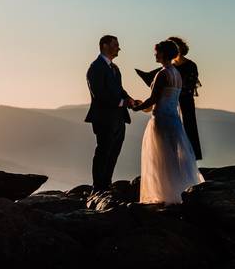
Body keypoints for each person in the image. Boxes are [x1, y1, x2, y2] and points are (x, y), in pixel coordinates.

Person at [132, 40, 203, 204]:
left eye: (156, 51)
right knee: (172, 157)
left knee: (161, 157)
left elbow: (153, 99)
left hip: (161, 120)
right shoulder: (176, 74)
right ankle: (177, 191)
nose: (154, 54)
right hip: (174, 120)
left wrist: (136, 107)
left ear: (162, 54)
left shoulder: (162, 74)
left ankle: (165, 195)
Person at [84, 35, 136, 192]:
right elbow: (99, 94)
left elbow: (119, 90)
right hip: (104, 118)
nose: (118, 48)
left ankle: (106, 183)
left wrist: (129, 99)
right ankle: (98, 186)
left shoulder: (114, 68)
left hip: (119, 117)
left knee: (114, 151)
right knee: (103, 151)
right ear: (104, 46)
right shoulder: (95, 68)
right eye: (115, 45)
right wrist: (122, 102)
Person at [168, 36, 203, 160]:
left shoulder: (190, 65)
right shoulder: (169, 67)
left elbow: (190, 86)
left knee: (188, 130)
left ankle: (189, 161)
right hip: (171, 103)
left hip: (185, 103)